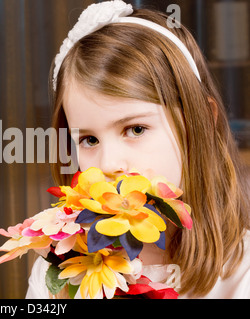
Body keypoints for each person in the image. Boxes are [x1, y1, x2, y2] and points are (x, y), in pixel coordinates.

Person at [26, 0, 250, 298]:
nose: (108, 163)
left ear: (202, 123)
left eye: (135, 129)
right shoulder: (57, 271)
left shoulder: (242, 271)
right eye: (89, 140)